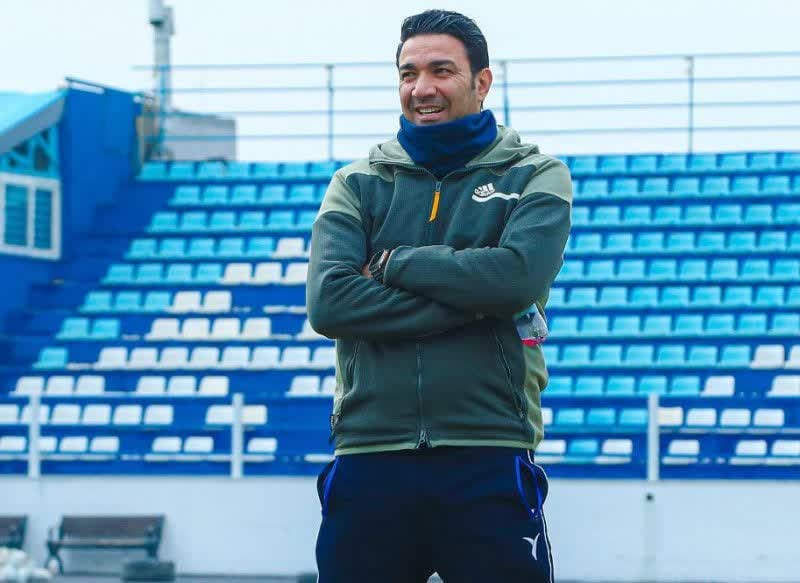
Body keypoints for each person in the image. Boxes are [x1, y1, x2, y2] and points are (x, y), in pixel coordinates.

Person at [306, 9, 572, 583]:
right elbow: (330, 304)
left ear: (482, 81)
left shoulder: (535, 175)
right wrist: (478, 297)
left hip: (488, 450)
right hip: (370, 455)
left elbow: (517, 280)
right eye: (409, 73)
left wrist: (395, 264)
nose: (421, 88)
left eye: (441, 71)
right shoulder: (357, 182)